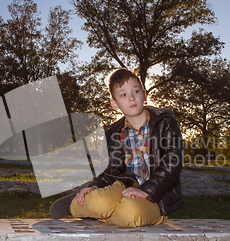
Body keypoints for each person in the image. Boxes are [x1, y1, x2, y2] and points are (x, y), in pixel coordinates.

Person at [49, 68, 184, 227]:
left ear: (144, 94)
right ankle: (76, 205)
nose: (131, 98)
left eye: (135, 91)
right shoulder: (113, 133)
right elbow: (109, 171)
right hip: (125, 186)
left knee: (130, 213)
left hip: (156, 194)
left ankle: (101, 214)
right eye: (123, 95)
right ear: (114, 104)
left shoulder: (165, 121)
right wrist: (95, 186)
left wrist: (146, 190)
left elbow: (172, 163)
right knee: (97, 202)